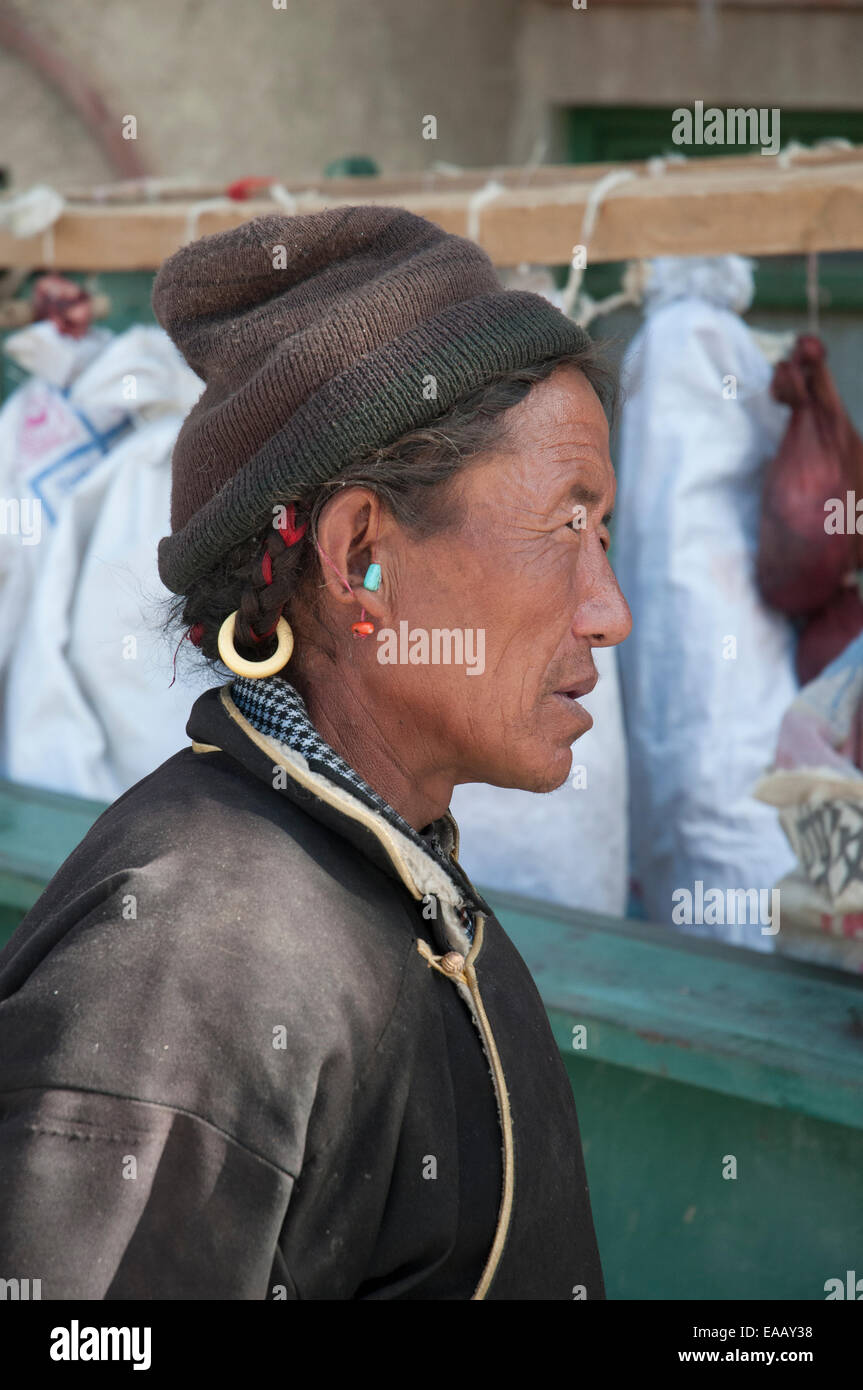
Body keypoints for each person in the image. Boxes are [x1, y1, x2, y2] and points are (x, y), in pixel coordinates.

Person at [0, 206, 631, 1299]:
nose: (607, 611)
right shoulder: (200, 957)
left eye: (606, 536)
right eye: (563, 531)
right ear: (360, 558)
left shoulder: (386, 879)